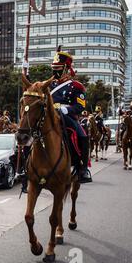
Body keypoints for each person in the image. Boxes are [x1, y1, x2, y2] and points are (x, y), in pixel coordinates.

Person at [50, 49, 92, 184]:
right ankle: (25, 169)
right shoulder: (49, 85)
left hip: (67, 117)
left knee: (83, 136)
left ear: (66, 69)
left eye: (57, 68)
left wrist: (66, 109)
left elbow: (80, 106)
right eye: (53, 68)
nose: (54, 71)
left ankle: (83, 168)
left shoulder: (76, 86)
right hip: (49, 116)